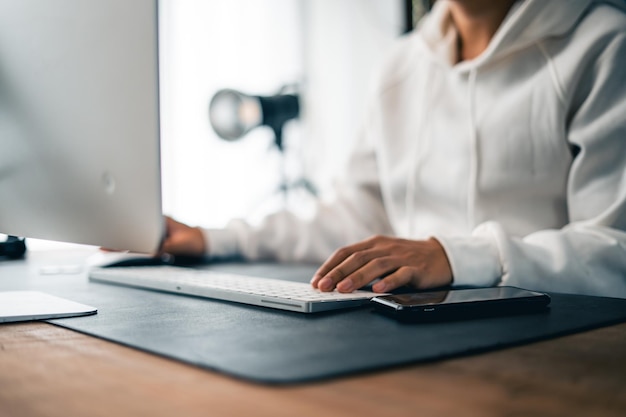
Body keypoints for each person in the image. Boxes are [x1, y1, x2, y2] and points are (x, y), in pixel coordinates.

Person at [161, 0, 626, 298]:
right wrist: (213, 240)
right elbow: (354, 219)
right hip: (410, 334)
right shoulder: (400, 66)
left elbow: (614, 251)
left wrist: (454, 256)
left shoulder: (604, 47)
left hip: (555, 343)